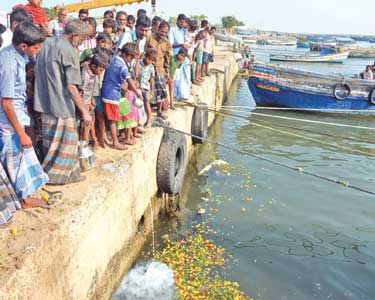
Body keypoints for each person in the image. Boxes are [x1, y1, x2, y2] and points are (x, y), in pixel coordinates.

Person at [0, 21, 48, 226]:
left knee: (23, 158)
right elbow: (6, 104)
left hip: (17, 116)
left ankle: (26, 196)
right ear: (23, 46)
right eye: (36, 48)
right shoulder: (9, 64)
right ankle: (24, 200)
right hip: (9, 122)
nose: (38, 51)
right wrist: (20, 133)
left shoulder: (18, 56)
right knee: (16, 161)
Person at [34, 19, 90, 185]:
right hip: (61, 104)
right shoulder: (70, 51)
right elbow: (71, 86)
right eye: (81, 39)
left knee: (49, 142)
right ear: (74, 36)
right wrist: (85, 111)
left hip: (43, 101)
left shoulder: (46, 43)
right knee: (66, 143)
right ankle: (56, 177)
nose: (80, 43)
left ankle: (72, 175)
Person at [101, 43, 142, 150]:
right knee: (113, 120)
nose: (131, 60)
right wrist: (137, 93)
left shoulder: (114, 58)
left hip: (107, 92)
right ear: (126, 55)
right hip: (112, 95)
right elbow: (129, 80)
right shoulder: (122, 66)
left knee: (112, 119)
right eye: (131, 57)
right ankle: (115, 142)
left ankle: (112, 139)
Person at [79, 53, 110, 148]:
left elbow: (90, 88)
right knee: (84, 125)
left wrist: (91, 99)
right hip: (83, 104)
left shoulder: (93, 73)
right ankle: (83, 146)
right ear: (93, 66)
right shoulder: (85, 75)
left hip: (89, 101)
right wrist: (83, 106)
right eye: (100, 70)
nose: (101, 72)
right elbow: (80, 91)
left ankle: (90, 142)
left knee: (90, 122)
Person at [145, 21, 171, 119]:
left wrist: (167, 72)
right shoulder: (149, 38)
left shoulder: (167, 43)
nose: (163, 34)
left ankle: (159, 112)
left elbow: (167, 58)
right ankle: (148, 113)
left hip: (160, 70)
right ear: (158, 29)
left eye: (165, 32)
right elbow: (143, 51)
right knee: (148, 91)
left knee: (160, 92)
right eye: (162, 31)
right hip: (148, 69)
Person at [138, 49, 156, 128]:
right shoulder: (138, 63)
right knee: (138, 104)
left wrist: (152, 90)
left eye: (151, 60)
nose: (149, 61)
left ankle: (149, 120)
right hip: (138, 87)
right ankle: (139, 122)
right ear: (145, 56)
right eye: (148, 59)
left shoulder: (151, 67)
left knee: (147, 104)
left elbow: (151, 79)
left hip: (146, 88)